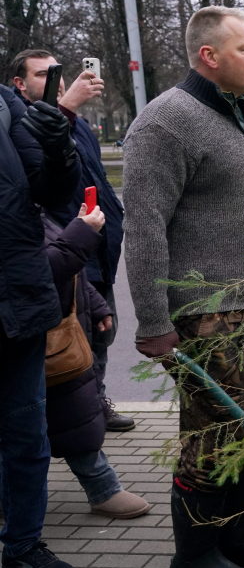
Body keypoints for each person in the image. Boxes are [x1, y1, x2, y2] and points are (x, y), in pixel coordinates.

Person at [123, 6, 244, 568]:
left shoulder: (241, 114)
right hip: (200, 313)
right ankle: (194, 558)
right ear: (210, 57)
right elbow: (143, 230)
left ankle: (240, 533)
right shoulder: (166, 124)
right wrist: (152, 323)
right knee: (209, 436)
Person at [11, 50, 133, 432]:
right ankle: (86, 412)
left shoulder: (76, 122)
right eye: (43, 75)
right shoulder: (19, 123)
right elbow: (40, 180)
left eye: (58, 73)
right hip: (68, 248)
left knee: (103, 331)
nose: (57, 81)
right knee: (76, 342)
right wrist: (62, 108)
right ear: (20, 83)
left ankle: (94, 403)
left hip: (97, 246)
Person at [0, 81, 82, 568]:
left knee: (27, 435)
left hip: (17, 303)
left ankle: (23, 547)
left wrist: (60, 150)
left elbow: (54, 197)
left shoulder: (8, 108)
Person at [41, 204, 151, 520]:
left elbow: (67, 269)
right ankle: (102, 488)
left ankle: (103, 489)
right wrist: (82, 232)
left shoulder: (26, 205)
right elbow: (39, 271)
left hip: (51, 334)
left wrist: (98, 304)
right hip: (27, 336)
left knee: (73, 410)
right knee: (63, 413)